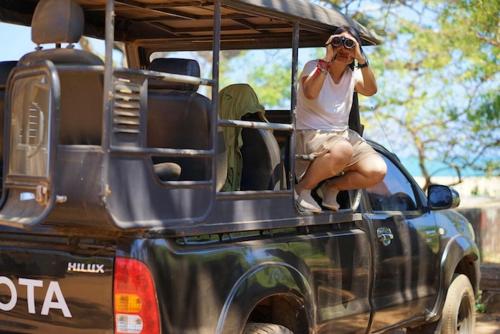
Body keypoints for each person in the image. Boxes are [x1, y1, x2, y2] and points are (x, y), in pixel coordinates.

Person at [294, 26, 387, 213]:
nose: (344, 49)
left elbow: (371, 90)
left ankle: (331, 187)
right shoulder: (314, 66)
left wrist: (362, 59)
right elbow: (310, 93)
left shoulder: (351, 75)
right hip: (312, 134)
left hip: (342, 136)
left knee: (377, 169)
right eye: (338, 42)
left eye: (349, 45)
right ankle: (302, 189)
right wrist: (327, 60)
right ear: (329, 45)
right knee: (343, 148)